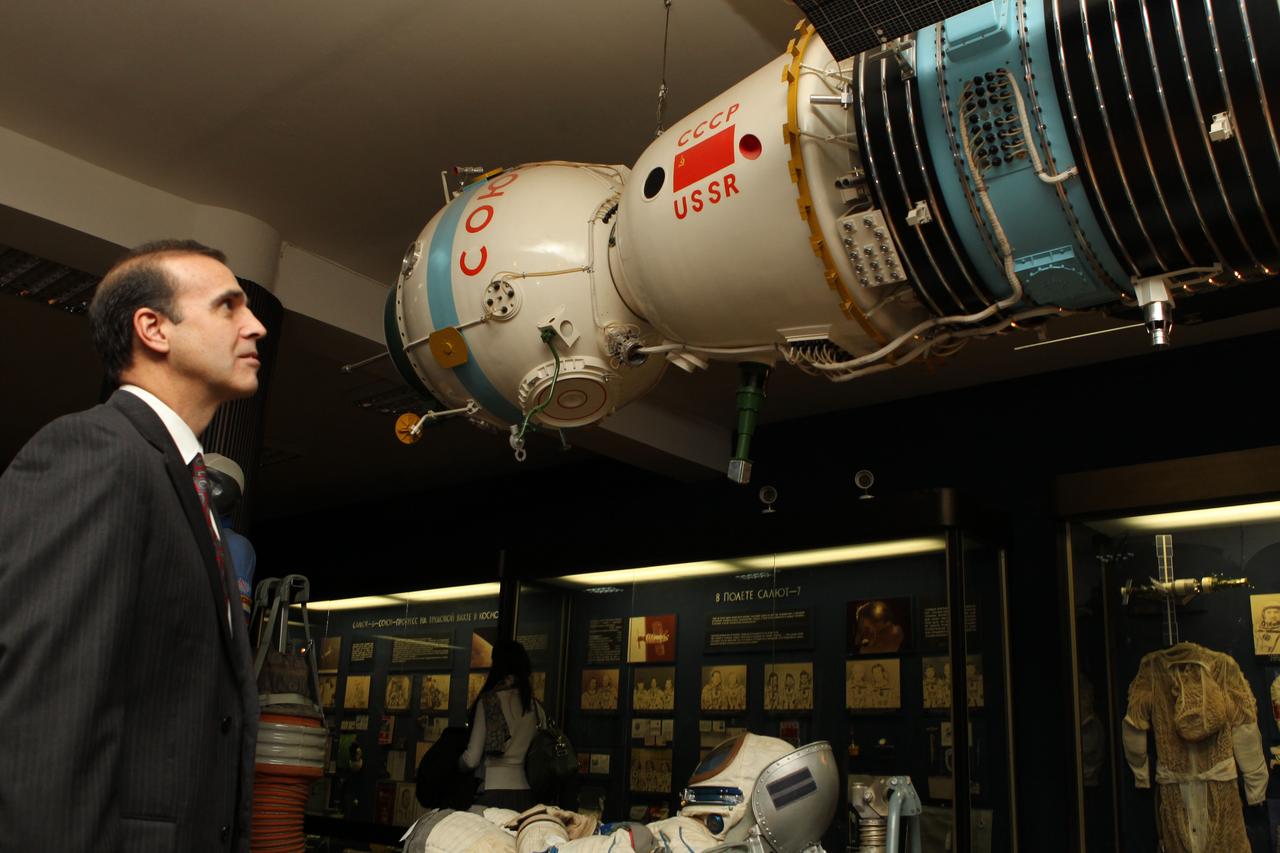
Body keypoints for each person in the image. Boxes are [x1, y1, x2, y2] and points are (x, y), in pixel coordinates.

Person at [0, 240, 266, 850]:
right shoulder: (94, 453)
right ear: (153, 328)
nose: (255, 325)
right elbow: (43, 721)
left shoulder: (182, 482)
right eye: (228, 306)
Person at [459, 639, 538, 812]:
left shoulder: (489, 701)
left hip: (493, 790)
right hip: (524, 792)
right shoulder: (534, 706)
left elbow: (471, 760)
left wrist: (457, 763)